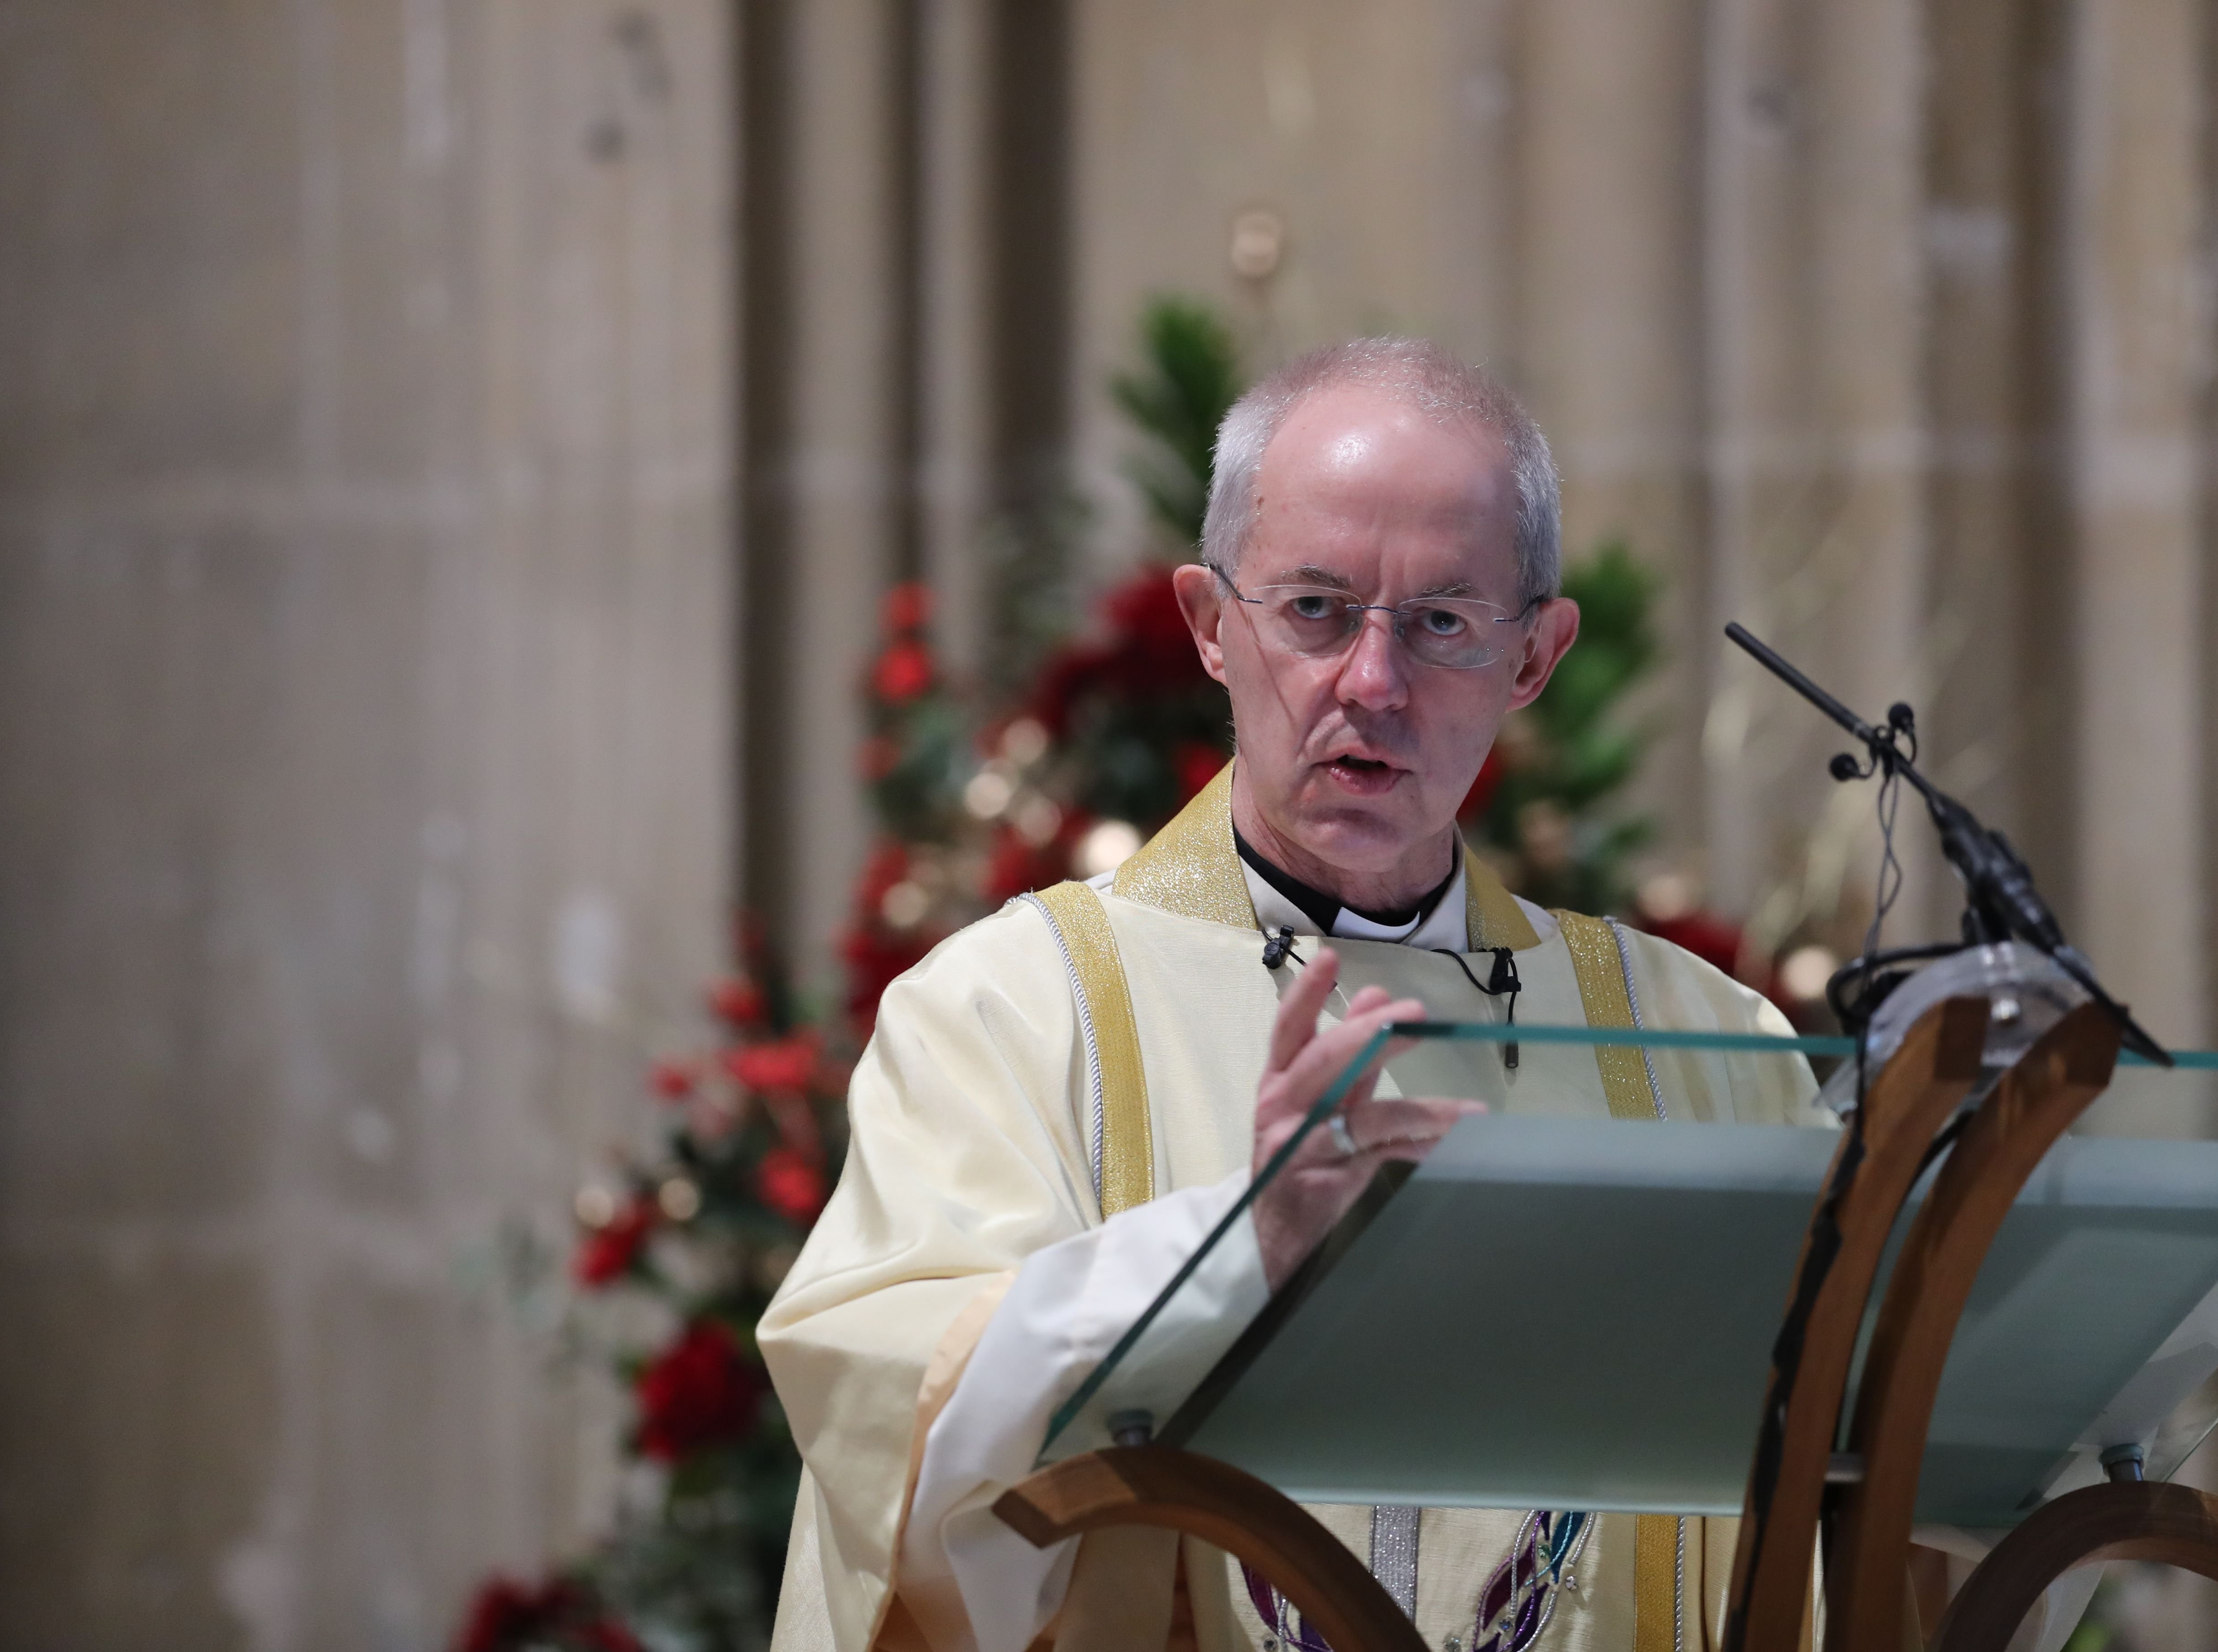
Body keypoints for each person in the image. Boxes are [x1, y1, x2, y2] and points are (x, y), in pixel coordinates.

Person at [758, 340, 2073, 1652]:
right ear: (1212, 626)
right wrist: (1228, 1255)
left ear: (1534, 659)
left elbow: (1881, 1489)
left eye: (1443, 623)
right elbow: (897, 1408)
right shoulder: (1011, 1012)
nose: (1373, 684)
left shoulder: (1697, 1045)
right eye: (1316, 610)